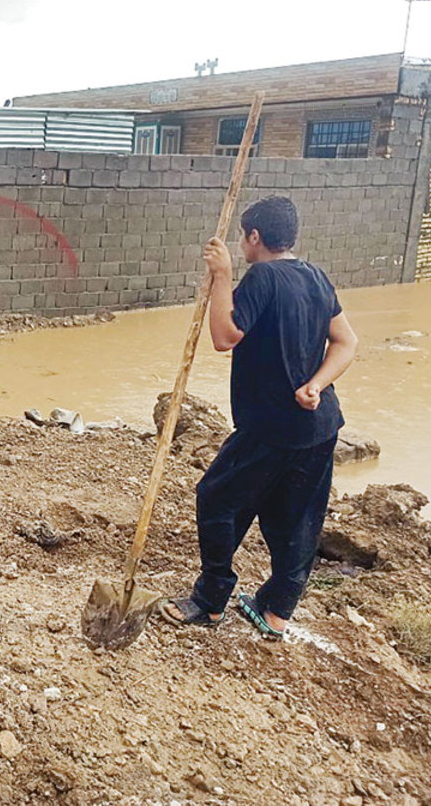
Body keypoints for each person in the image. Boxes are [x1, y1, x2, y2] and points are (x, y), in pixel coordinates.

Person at [162, 196, 358, 640]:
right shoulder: (315, 276)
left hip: (270, 427)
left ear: (254, 237)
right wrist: (317, 385)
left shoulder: (262, 276)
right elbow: (346, 342)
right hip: (320, 426)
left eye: (242, 238)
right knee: (297, 518)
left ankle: (211, 600)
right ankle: (276, 612)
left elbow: (224, 336)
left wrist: (222, 276)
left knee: (217, 499)